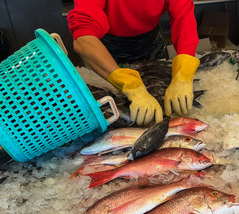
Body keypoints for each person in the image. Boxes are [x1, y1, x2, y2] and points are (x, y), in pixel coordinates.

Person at [67, 0, 200, 126]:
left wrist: (183, 75)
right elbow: (83, 40)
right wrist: (130, 85)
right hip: (106, 51)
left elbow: (184, 18)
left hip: (151, 43)